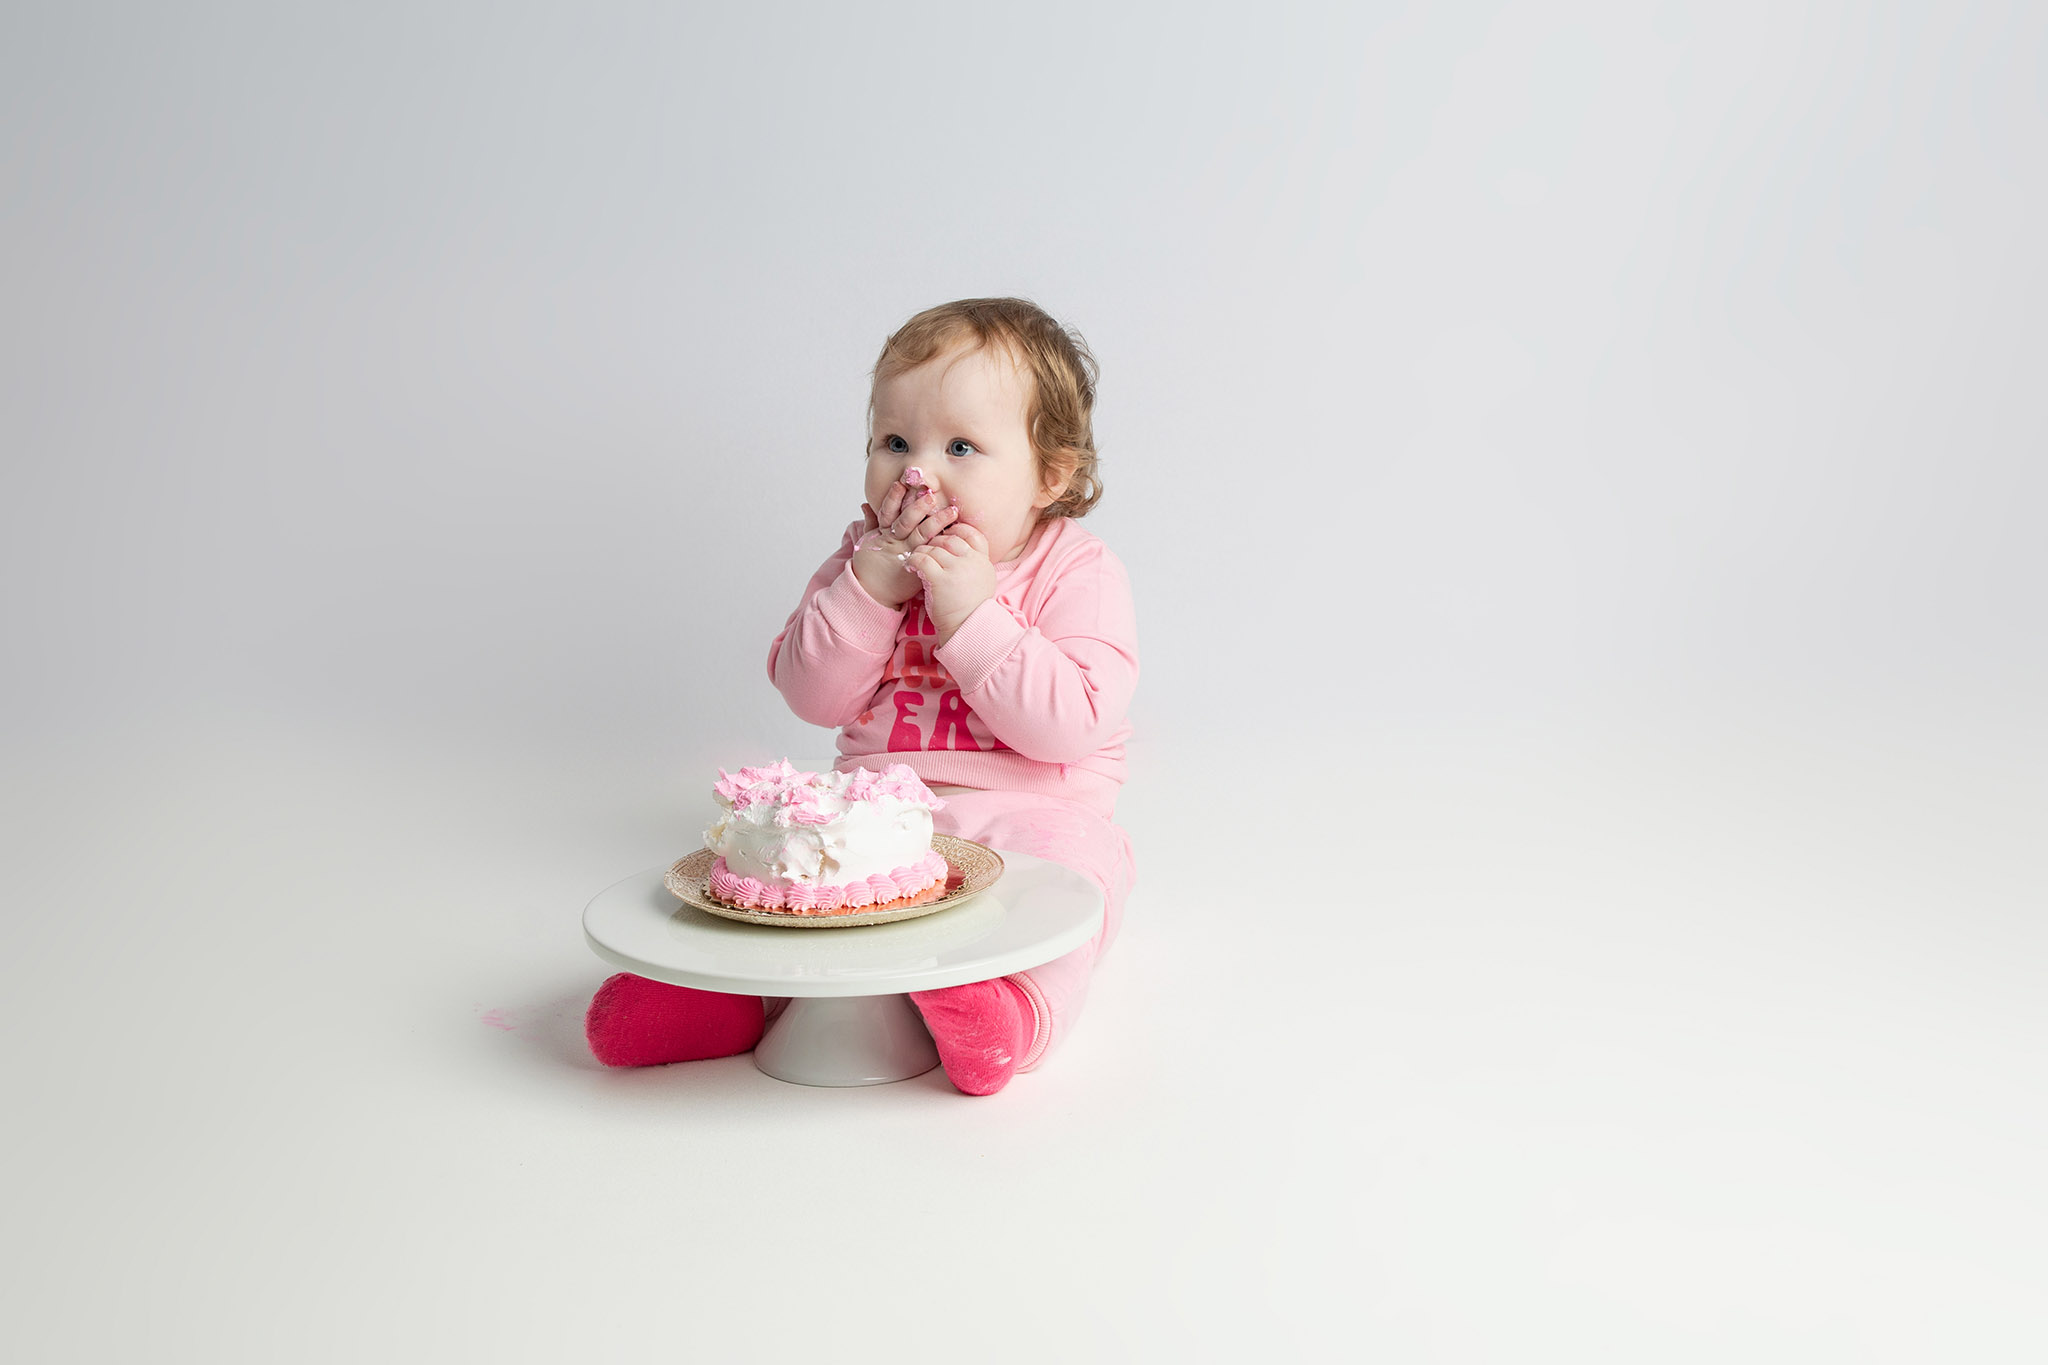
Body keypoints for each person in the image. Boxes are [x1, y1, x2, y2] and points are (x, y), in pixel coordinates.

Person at [584, 297, 1138, 1095]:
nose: (917, 473)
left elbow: (1071, 725)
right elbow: (811, 694)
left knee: (1077, 879)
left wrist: (974, 616)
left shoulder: (1077, 570)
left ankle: (1008, 1012)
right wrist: (869, 586)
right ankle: (727, 999)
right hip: (878, 816)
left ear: (1050, 474)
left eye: (960, 446)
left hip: (1028, 820)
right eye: (894, 442)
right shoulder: (866, 558)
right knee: (792, 884)